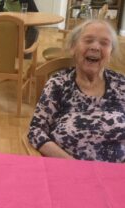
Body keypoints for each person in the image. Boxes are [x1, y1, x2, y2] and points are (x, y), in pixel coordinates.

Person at [28, 19, 125, 162]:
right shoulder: (59, 84)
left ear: (110, 53)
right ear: (73, 47)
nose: (96, 47)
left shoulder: (121, 85)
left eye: (104, 43)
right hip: (69, 174)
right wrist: (72, 165)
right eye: (88, 40)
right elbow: (36, 131)